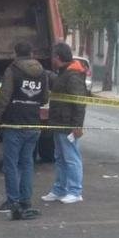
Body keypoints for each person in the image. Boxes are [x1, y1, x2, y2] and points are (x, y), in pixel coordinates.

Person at [0, 42, 49, 219]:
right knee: (27, 163)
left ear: (15, 53)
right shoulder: (42, 72)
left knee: (11, 164)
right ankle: (25, 201)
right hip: (33, 123)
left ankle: (13, 201)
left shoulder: (12, 70)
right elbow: (45, 98)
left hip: (14, 123)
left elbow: (4, 96)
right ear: (31, 53)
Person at [41, 42, 87, 204]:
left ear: (58, 57)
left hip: (67, 124)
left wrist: (77, 126)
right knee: (60, 158)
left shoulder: (73, 76)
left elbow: (79, 103)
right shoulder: (64, 73)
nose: (51, 60)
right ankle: (59, 189)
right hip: (59, 122)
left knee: (71, 158)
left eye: (53, 56)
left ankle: (75, 191)